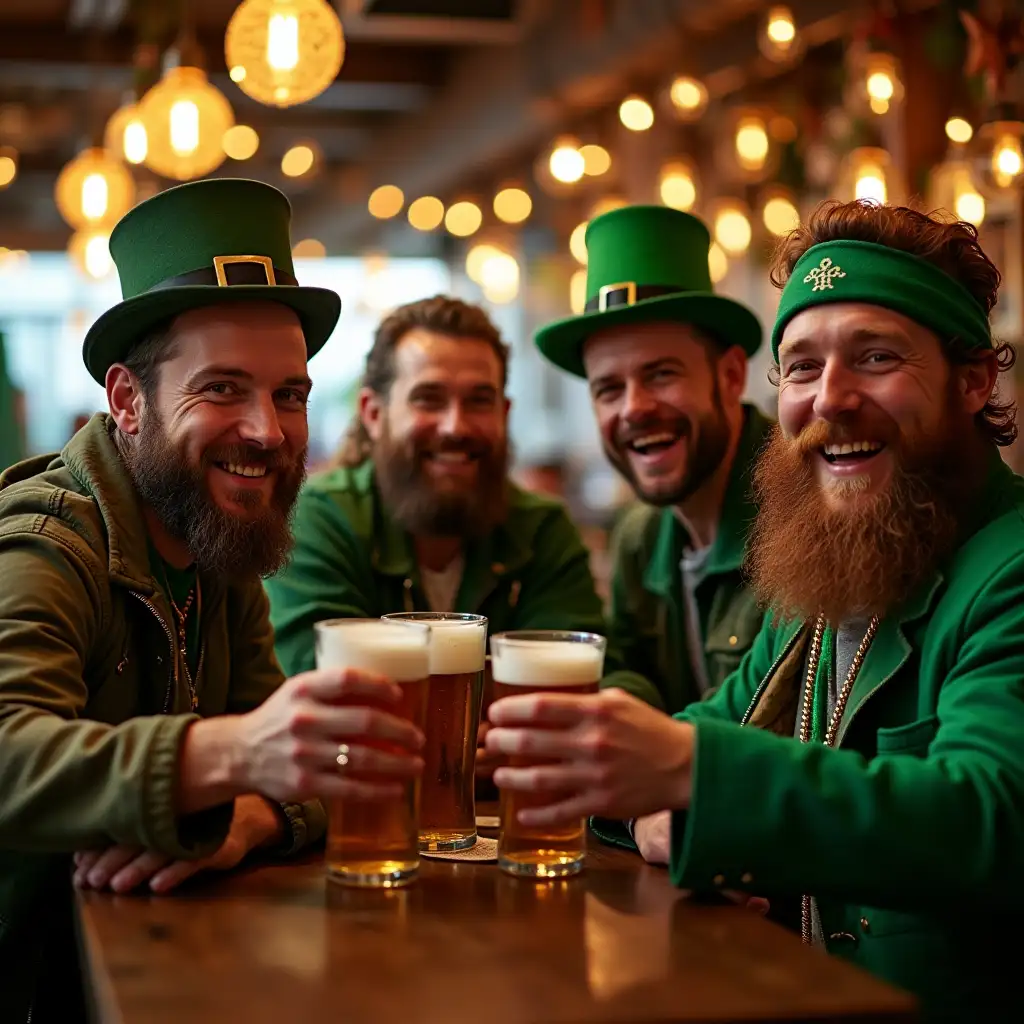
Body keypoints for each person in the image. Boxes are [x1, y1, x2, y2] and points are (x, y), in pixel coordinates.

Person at [485, 201, 1024, 1021]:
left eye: (876, 357)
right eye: (802, 368)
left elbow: (986, 818)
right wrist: (664, 798)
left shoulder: (1009, 566)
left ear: (975, 379)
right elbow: (705, 732)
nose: (830, 399)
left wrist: (689, 777)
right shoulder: (828, 564)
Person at [0, 179, 426, 1023]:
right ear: (128, 401)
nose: (267, 431)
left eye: (289, 394)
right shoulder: (48, 541)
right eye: (222, 388)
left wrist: (252, 818)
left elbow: (309, 772)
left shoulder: (219, 547)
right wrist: (232, 756)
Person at [534, 206, 770, 716]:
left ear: (730, 377)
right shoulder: (640, 537)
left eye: (661, 374)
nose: (634, 409)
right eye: (608, 389)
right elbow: (626, 668)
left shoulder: (804, 511)